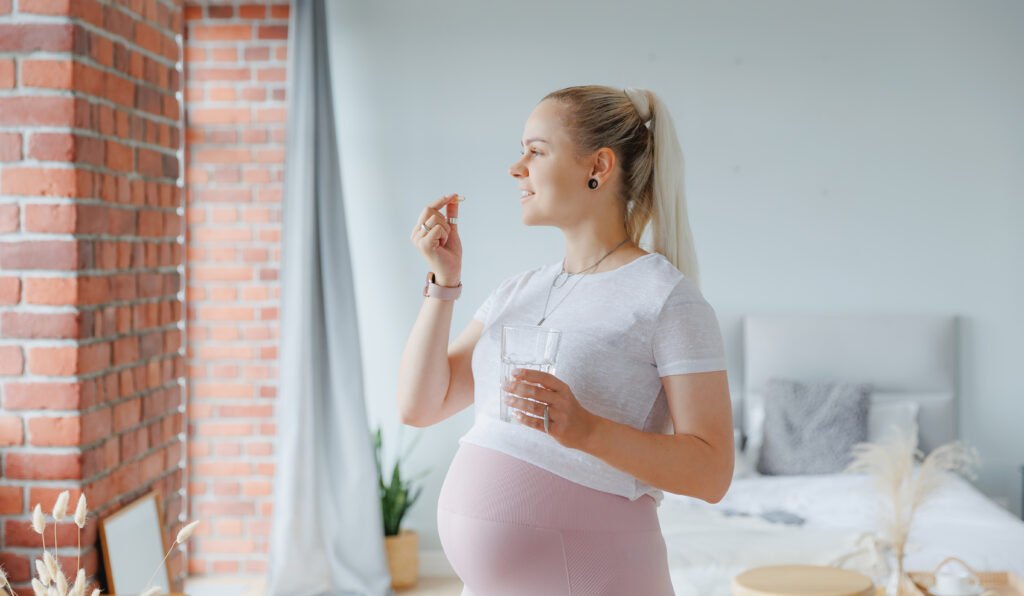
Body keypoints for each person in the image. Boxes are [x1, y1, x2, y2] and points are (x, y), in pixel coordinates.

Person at [396, 85, 733, 595]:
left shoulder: (666, 298)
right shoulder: (518, 290)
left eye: (535, 150)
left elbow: (712, 473)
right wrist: (442, 286)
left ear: (597, 165)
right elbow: (420, 406)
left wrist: (587, 430)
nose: (516, 168)